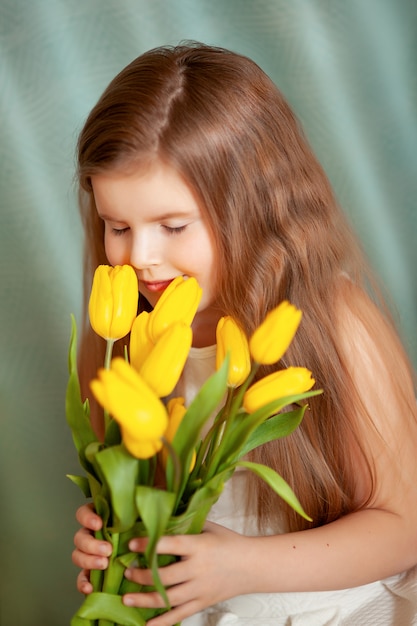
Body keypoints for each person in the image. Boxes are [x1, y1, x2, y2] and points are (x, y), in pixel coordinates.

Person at [71, 43, 417, 625]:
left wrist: (243, 567)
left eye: (173, 225)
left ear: (254, 207)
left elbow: (406, 528)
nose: (142, 258)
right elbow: (152, 506)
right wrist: (114, 538)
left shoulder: (333, 322)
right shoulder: (119, 335)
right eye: (118, 226)